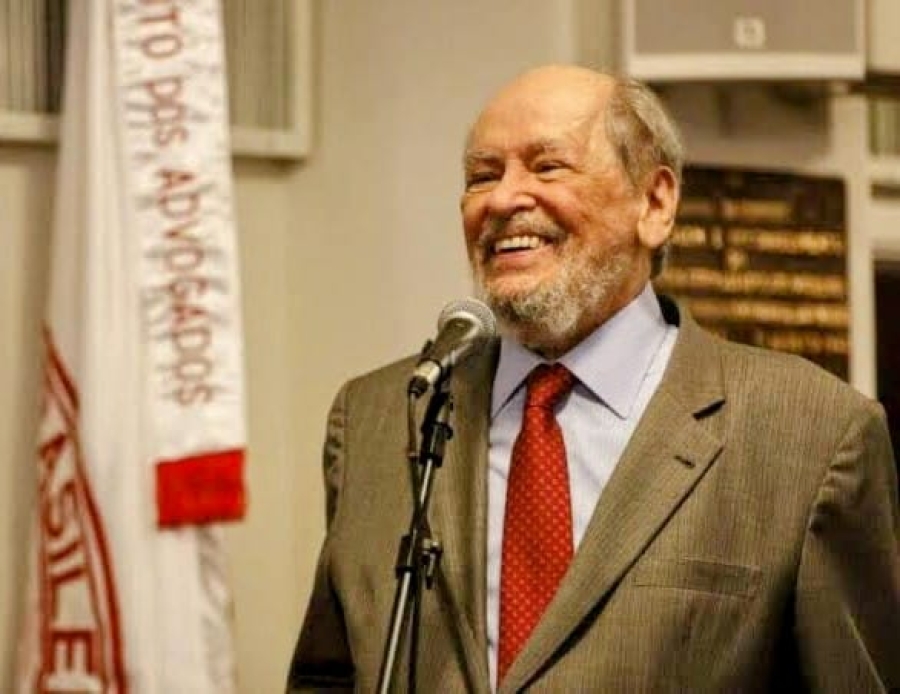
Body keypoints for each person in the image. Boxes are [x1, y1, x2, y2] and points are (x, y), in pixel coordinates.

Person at [286, 65, 900, 692]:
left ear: (654, 203)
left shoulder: (813, 435)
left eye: (548, 166)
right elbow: (327, 678)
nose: (503, 199)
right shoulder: (382, 416)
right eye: (483, 176)